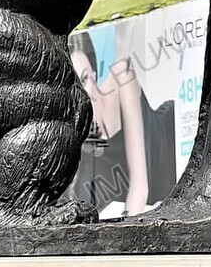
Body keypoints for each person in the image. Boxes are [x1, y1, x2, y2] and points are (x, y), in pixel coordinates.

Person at [68, 31, 175, 217]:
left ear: (93, 74)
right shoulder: (74, 126)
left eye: (84, 79)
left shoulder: (122, 75)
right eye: (74, 84)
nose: (83, 92)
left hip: (166, 157)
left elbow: (140, 186)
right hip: (125, 204)